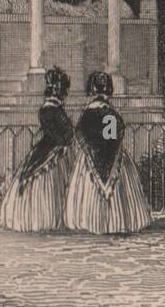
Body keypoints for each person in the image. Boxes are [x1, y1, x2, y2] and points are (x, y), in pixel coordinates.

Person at [64, 71, 152, 235]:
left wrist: (90, 147)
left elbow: (80, 133)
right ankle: (116, 221)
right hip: (114, 156)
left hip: (91, 155)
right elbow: (119, 130)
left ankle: (93, 221)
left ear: (92, 90)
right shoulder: (112, 112)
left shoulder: (89, 112)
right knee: (118, 192)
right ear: (107, 90)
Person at [0, 67, 74, 232]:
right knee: (48, 187)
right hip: (52, 152)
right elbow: (60, 133)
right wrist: (65, 141)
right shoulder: (51, 108)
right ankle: (46, 220)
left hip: (52, 149)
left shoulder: (50, 107)